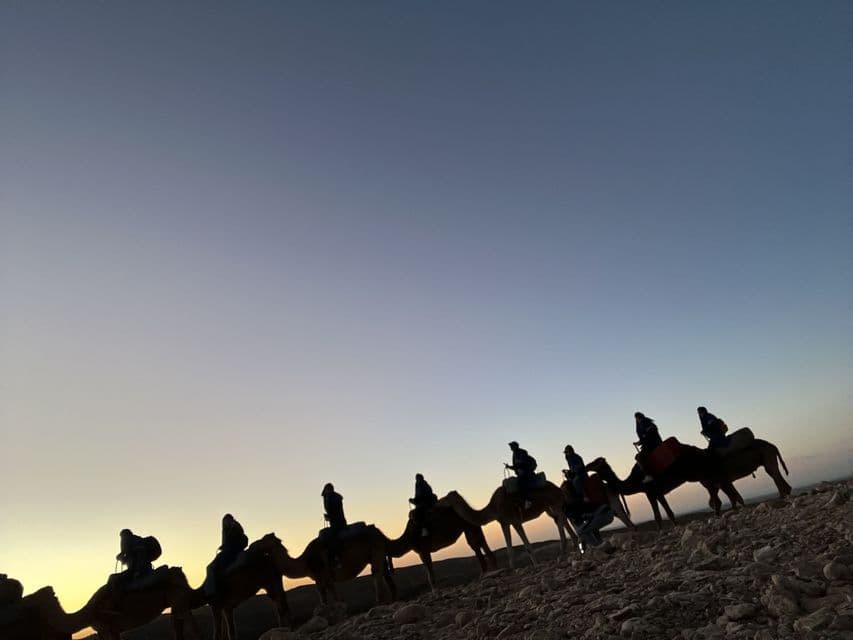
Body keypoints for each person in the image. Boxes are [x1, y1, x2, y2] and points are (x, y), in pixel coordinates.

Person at [204, 514, 249, 597]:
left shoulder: (234, 529)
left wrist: (226, 546)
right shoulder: (232, 529)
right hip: (229, 552)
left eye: (226, 521)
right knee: (211, 568)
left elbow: (232, 542)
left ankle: (211, 592)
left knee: (210, 568)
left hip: (230, 553)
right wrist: (223, 546)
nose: (225, 523)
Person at [506, 441, 537, 509]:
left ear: (515, 446)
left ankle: (528, 501)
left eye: (511, 446)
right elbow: (517, 466)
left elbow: (520, 465)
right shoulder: (515, 454)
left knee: (521, 485)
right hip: (522, 473)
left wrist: (511, 467)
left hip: (526, 473)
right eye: (510, 446)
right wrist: (510, 467)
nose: (511, 448)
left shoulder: (520, 453)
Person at [322, 483, 347, 568]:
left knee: (332, 538)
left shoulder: (333, 498)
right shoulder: (333, 497)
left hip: (338, 523)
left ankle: (337, 559)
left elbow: (335, 512)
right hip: (336, 522)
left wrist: (329, 516)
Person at [634, 412, 662, 483]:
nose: (637, 420)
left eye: (637, 418)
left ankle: (649, 475)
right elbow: (644, 437)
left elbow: (650, 434)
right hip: (649, 444)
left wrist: (642, 440)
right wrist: (639, 442)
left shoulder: (647, 424)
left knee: (640, 457)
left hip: (653, 444)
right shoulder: (645, 424)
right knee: (638, 457)